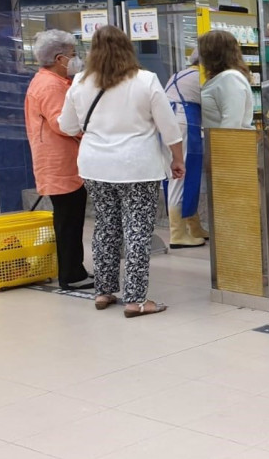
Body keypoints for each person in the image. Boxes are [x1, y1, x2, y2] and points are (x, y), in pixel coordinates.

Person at [59, 25, 184, 318]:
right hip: (137, 167)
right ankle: (136, 300)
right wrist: (177, 159)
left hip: (95, 166)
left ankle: (103, 291)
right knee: (137, 231)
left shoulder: (79, 82)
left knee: (105, 227)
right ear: (128, 48)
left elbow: (67, 126)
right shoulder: (145, 80)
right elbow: (170, 128)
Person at [24, 29, 91, 290]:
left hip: (62, 161)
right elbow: (63, 125)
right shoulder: (50, 85)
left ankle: (76, 270)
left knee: (71, 219)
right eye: (73, 55)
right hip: (59, 163)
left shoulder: (50, 81)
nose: (76, 59)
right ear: (59, 58)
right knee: (68, 221)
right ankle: (71, 275)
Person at [163, 51, 209, 249]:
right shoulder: (201, 77)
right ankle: (178, 234)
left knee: (180, 179)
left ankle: (194, 227)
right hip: (184, 124)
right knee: (180, 179)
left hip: (171, 124)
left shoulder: (179, 74)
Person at [197, 30, 254, 130]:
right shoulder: (218, 78)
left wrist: (222, 145)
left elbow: (232, 124)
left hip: (227, 144)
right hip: (214, 142)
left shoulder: (231, 79)